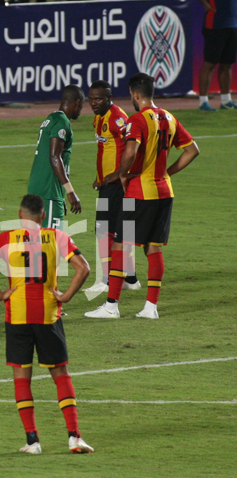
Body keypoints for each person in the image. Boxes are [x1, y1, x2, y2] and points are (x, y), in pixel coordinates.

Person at [0, 194, 93, 455]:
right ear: (42, 216)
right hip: (48, 314)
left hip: (17, 314)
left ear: (20, 214)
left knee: (22, 377)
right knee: (60, 374)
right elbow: (83, 268)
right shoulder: (57, 237)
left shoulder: (6, 238)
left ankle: (33, 441)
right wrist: (65, 296)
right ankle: (74, 437)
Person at [85, 73, 199, 320]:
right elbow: (192, 150)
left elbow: (130, 151)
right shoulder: (169, 118)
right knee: (153, 248)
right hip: (165, 191)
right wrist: (166, 173)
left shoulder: (137, 120)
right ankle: (151, 307)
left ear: (135, 94)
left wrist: (120, 174)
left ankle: (111, 306)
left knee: (119, 244)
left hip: (140, 192)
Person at [84, 81, 141, 294]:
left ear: (109, 98)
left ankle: (107, 279)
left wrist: (117, 175)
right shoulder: (99, 118)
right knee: (121, 231)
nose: (93, 103)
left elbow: (132, 149)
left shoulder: (118, 119)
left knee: (103, 231)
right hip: (109, 183)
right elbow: (106, 152)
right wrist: (99, 177)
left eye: (98, 99)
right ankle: (131, 278)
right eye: (90, 98)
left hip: (117, 185)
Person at [27, 85, 84, 229]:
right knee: (51, 243)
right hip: (48, 191)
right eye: (81, 106)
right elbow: (55, 157)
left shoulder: (51, 118)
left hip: (38, 188)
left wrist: (61, 193)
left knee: (36, 241)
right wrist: (70, 192)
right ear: (77, 103)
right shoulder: (62, 122)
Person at [182, 0, 237, 111]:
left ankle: (226, 100)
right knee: (210, 63)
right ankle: (203, 102)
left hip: (233, 25)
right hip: (215, 24)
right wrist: (203, 2)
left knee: (227, 64)